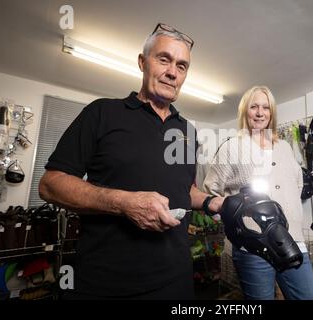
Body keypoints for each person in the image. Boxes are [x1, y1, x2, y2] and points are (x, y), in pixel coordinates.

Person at [39, 23, 224, 300]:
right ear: (142, 62)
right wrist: (124, 203)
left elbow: (184, 189)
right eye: (164, 59)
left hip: (176, 281)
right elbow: (50, 185)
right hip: (106, 284)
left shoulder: (188, 131)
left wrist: (212, 202)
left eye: (182, 66)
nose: (172, 72)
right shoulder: (102, 113)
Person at [203, 85, 313, 300]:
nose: (260, 113)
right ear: (244, 112)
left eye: (266, 107)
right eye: (254, 107)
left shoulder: (284, 147)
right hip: (252, 248)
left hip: (291, 240)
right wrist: (236, 223)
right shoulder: (231, 148)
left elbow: (296, 183)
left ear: (272, 112)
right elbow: (211, 191)